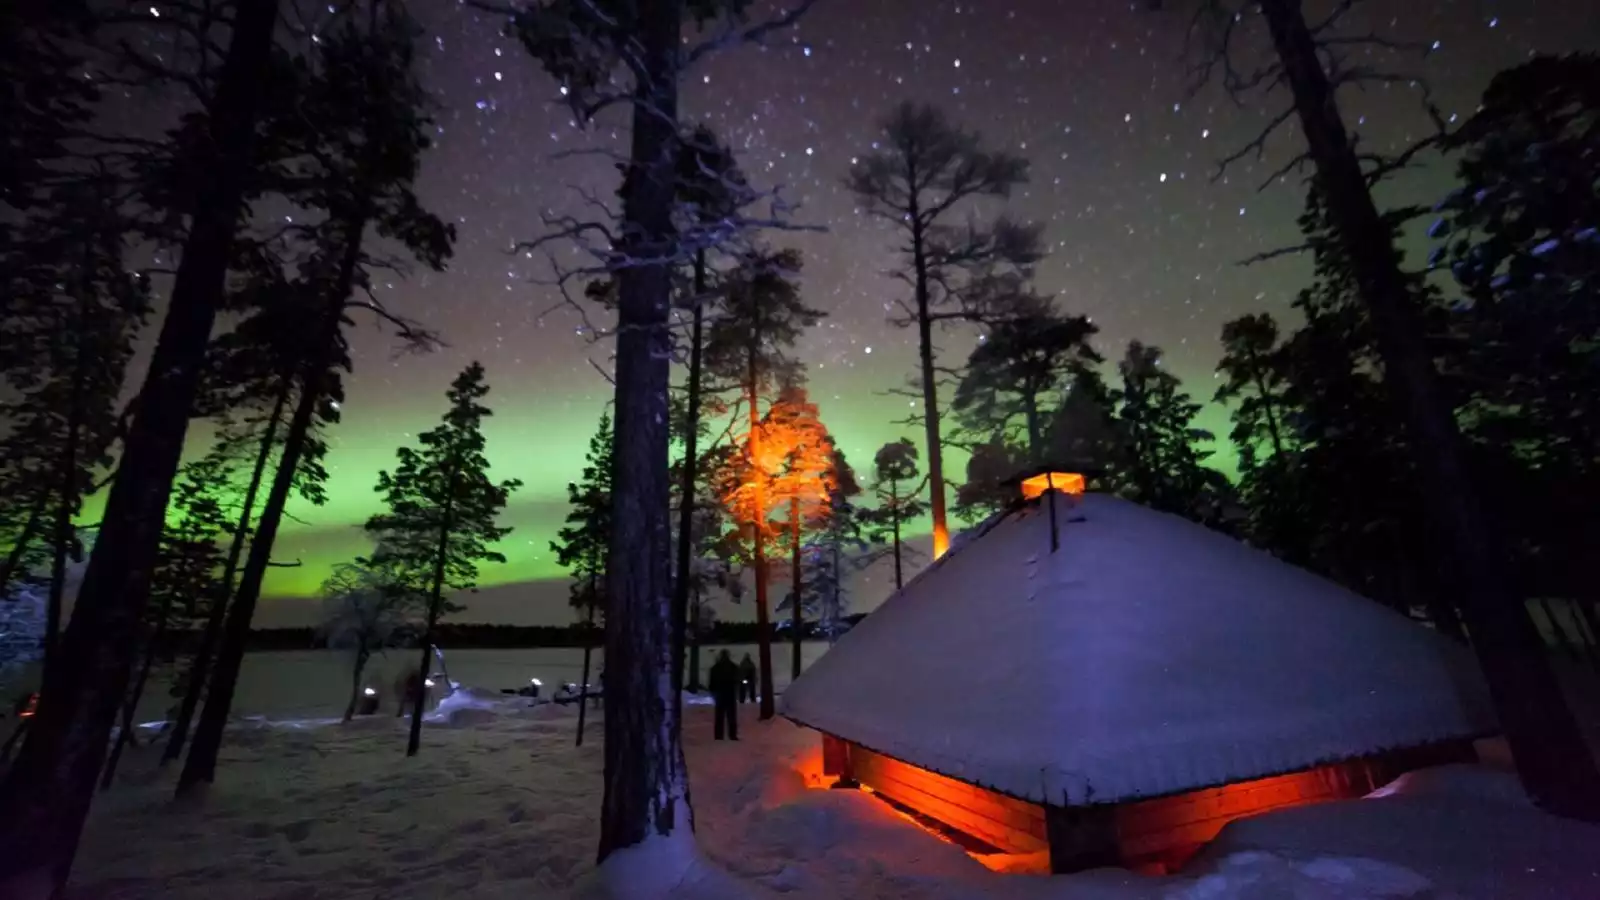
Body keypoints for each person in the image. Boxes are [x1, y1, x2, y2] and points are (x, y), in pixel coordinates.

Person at [708, 650, 739, 741]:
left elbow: (712, 681)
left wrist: (713, 690)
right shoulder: (733, 667)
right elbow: (737, 679)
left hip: (720, 693)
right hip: (730, 693)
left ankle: (718, 735)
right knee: (731, 716)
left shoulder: (715, 668)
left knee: (719, 716)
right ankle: (732, 735)